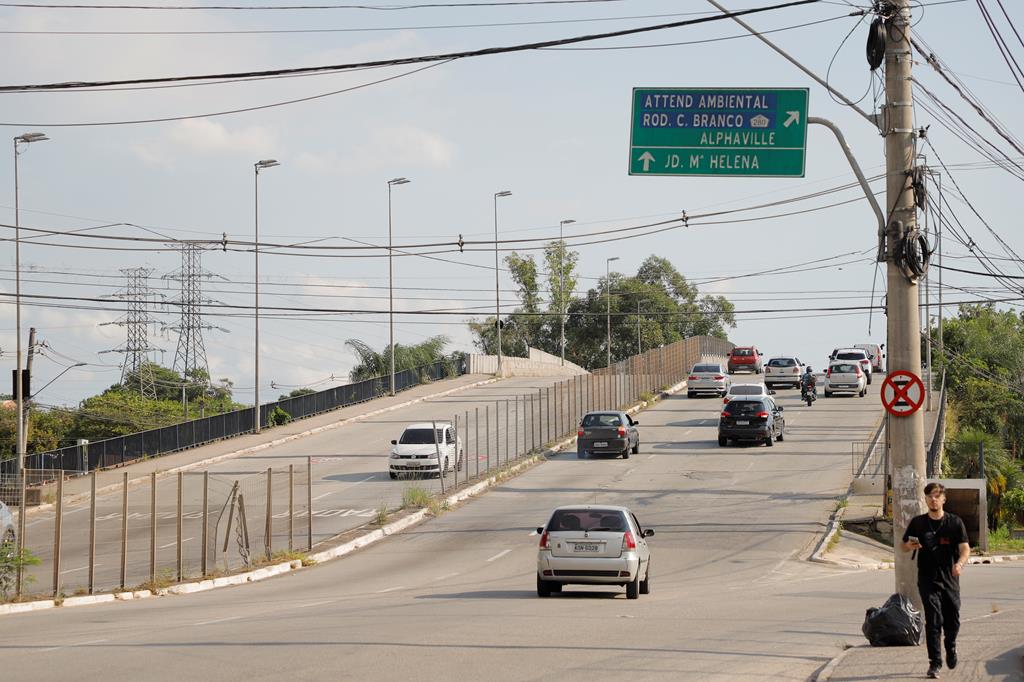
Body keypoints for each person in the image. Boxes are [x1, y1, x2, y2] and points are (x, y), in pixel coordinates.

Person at [901, 483, 971, 679]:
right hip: (927, 578)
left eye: (937, 496)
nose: (933, 499)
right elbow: (904, 546)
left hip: (950, 579)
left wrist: (960, 564)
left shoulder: (954, 523)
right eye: (930, 496)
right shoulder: (918, 523)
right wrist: (910, 545)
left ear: (943, 499)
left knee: (952, 618)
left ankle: (951, 645)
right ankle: (935, 663)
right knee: (933, 619)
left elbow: (965, 548)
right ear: (926, 499)